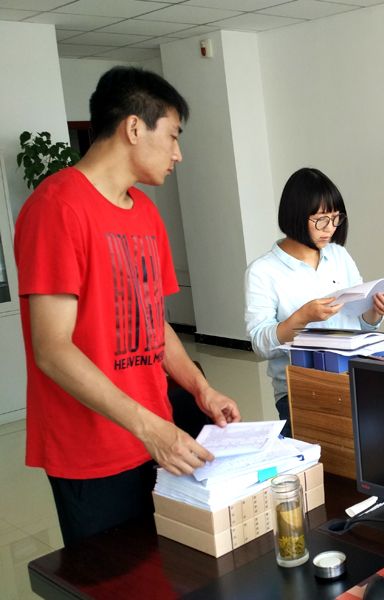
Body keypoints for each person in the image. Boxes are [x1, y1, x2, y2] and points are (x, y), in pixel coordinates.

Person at [14, 67, 241, 547]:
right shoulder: (57, 207)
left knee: (169, 567)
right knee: (112, 577)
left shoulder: (145, 212)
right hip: (92, 451)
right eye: (173, 136)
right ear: (134, 127)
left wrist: (200, 389)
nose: (178, 154)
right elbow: (52, 349)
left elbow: (153, 324)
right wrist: (150, 429)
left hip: (155, 438)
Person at [244, 168, 384, 436]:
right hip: (301, 389)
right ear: (294, 216)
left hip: (351, 379)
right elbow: (260, 344)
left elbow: (361, 325)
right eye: (321, 220)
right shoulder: (263, 271)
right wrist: (302, 317)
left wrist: (374, 312)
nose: (330, 228)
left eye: (336, 218)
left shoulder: (339, 256)